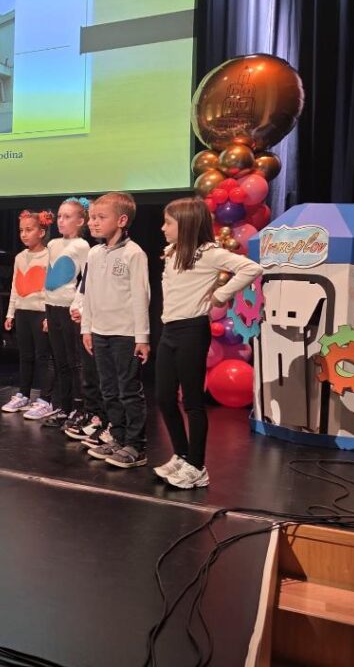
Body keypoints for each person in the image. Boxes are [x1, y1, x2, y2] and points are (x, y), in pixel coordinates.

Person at [153, 197, 262, 489]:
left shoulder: (209, 253)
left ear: (186, 224)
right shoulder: (173, 252)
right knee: (164, 396)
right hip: (170, 329)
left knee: (192, 401)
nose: (163, 228)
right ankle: (181, 454)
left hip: (192, 330)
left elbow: (251, 269)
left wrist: (221, 295)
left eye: (168, 223)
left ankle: (197, 466)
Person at [79, 193, 151, 468]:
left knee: (128, 391)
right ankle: (118, 437)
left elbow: (141, 296)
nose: (93, 222)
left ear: (121, 220)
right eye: (92, 218)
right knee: (108, 390)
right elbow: (88, 294)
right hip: (100, 332)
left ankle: (136, 445)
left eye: (100, 217)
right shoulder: (94, 253)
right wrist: (87, 328)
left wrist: (142, 337)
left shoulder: (134, 253)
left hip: (125, 334)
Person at [37, 197, 91, 427]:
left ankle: (80, 408)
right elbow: (48, 278)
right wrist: (46, 311)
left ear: (80, 221)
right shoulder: (52, 244)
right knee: (60, 361)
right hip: (52, 308)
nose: (61, 220)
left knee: (74, 361)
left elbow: (87, 279)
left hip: (70, 309)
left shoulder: (82, 246)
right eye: (59, 216)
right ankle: (64, 407)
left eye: (67, 217)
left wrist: (79, 307)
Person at [5, 210, 55, 416]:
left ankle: (46, 399)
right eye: (21, 230)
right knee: (25, 355)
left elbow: (51, 288)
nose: (24, 234)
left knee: (43, 356)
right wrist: (10, 313)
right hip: (22, 311)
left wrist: (49, 315)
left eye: (29, 230)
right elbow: (15, 286)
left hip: (40, 312)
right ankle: (23, 394)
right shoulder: (20, 257)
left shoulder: (49, 256)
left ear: (41, 232)